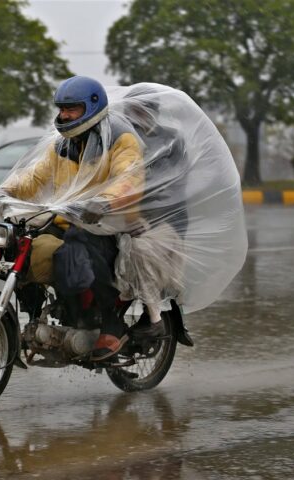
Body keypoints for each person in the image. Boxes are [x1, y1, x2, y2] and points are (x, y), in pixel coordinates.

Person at [0, 75, 145, 361]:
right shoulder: (63, 145)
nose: (64, 115)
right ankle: (45, 316)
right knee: (22, 243)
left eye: (72, 108)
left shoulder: (120, 139)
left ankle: (111, 322)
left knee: (75, 244)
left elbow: (129, 178)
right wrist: (4, 191)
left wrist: (104, 202)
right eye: (61, 108)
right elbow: (34, 177)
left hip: (109, 225)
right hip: (70, 220)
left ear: (92, 107)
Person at [115, 85, 189, 339]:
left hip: (166, 220)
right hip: (120, 216)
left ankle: (155, 317)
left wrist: (144, 216)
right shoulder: (119, 139)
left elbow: (172, 186)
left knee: (141, 249)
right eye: (131, 110)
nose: (136, 115)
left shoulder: (170, 140)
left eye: (141, 109)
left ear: (153, 112)